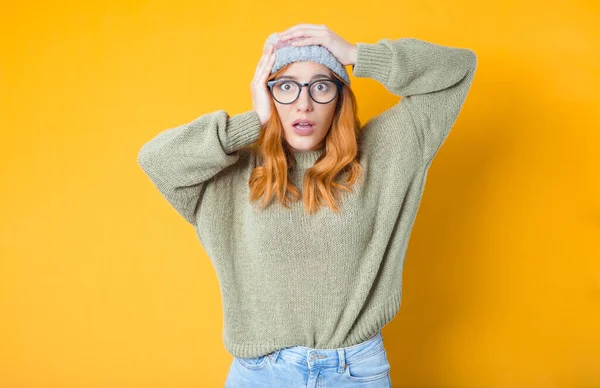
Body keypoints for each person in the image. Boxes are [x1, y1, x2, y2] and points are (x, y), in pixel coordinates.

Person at [137, 23, 477, 387]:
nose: (304, 102)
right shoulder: (234, 173)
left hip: (355, 371)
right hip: (260, 375)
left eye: (321, 86)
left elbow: (457, 69)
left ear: (340, 97)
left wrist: (357, 55)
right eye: (286, 86)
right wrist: (253, 122)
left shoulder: (382, 153)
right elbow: (156, 160)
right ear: (268, 95)